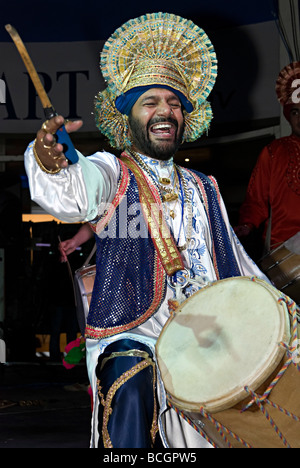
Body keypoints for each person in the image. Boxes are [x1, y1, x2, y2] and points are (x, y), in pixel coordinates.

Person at [24, 12, 267, 448]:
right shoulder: (112, 170)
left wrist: (279, 316)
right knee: (131, 374)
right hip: (134, 330)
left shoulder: (203, 186)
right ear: (129, 117)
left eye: (174, 102)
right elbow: (75, 192)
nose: (165, 110)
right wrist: (49, 156)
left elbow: (239, 263)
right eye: (150, 101)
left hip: (207, 331)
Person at [235, 61, 300, 254]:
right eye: (295, 112)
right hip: (283, 252)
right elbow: (255, 200)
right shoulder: (273, 151)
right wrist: (247, 224)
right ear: (289, 116)